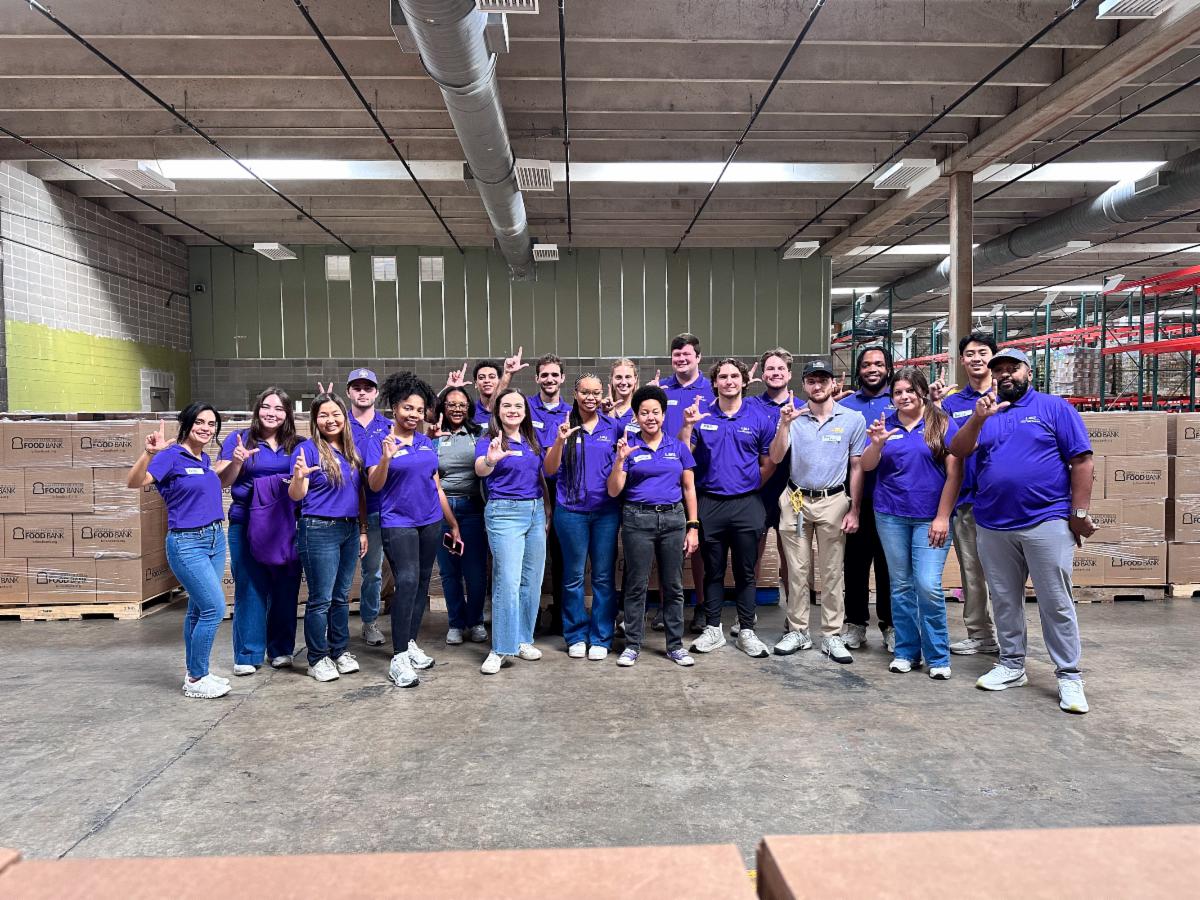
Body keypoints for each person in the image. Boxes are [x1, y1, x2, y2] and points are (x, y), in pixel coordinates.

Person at [949, 348, 1095, 713]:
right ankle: (1012, 665)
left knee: (1055, 601)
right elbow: (958, 449)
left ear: (1028, 372)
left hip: (1045, 520)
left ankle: (1069, 675)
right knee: (1004, 599)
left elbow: (1081, 461)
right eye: (999, 370)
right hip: (993, 522)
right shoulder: (985, 411)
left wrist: (1078, 513)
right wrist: (978, 420)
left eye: (1012, 369)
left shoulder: (1054, 408)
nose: (1004, 375)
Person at [860, 368, 962, 679]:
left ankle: (938, 656)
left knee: (928, 585)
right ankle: (906, 651)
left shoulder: (942, 423)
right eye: (898, 392)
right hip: (890, 515)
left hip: (930, 519)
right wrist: (876, 444)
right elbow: (866, 466)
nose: (904, 397)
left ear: (921, 392)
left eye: (909, 391)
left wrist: (943, 516)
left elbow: (955, 473)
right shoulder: (885, 425)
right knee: (900, 585)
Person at [365, 373, 461, 689]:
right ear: (395, 407)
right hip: (398, 521)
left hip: (430, 520)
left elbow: (434, 483)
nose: (414, 415)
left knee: (421, 582)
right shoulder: (379, 441)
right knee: (405, 581)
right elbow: (373, 485)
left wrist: (452, 522)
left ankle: (410, 642)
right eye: (408, 408)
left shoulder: (424, 441)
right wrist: (384, 458)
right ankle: (398, 657)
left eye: (419, 410)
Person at [128, 408, 229, 699]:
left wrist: (230, 463)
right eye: (199, 422)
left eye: (211, 424)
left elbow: (203, 481)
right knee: (214, 609)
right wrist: (148, 453)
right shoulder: (169, 456)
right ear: (186, 424)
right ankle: (197, 679)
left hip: (214, 538)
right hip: (187, 543)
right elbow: (134, 482)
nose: (206, 428)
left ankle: (198, 673)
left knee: (198, 609)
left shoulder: (203, 458)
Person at [768, 361, 864, 663]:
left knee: (832, 571)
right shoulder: (793, 417)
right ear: (804, 385)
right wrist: (784, 424)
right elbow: (776, 456)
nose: (817, 386)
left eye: (823, 380)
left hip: (833, 501)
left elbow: (857, 466)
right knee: (796, 571)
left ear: (833, 383)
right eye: (811, 380)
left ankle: (832, 634)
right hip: (796, 500)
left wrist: (855, 509)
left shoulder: (852, 419)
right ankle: (797, 631)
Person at [680, 358, 775, 658]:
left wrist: (747, 485)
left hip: (747, 503)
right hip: (710, 503)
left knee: (747, 572)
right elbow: (684, 454)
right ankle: (713, 629)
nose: (729, 381)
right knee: (713, 572)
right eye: (723, 377)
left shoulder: (759, 417)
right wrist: (686, 426)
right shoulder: (701, 415)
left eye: (735, 376)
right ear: (715, 382)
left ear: (745, 381)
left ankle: (746, 629)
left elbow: (768, 462)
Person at [606, 385, 699, 667]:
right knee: (636, 584)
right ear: (636, 416)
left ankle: (674, 645)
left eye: (655, 412)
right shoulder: (628, 447)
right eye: (644, 412)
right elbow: (613, 491)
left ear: (663, 415)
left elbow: (689, 488)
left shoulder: (678, 447)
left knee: (673, 585)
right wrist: (620, 461)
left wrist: (692, 526)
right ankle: (633, 644)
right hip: (637, 520)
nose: (650, 417)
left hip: (673, 520)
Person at [216, 387, 303, 675]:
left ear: (287, 413)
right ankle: (248, 653)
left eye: (279, 408)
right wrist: (238, 461)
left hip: (285, 524)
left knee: (285, 587)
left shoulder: (297, 445)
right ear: (257, 409)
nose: (272, 413)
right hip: (246, 522)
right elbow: (222, 482)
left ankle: (280, 649)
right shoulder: (239, 439)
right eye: (267, 407)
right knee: (251, 586)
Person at [289, 392, 368, 683]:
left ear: (344, 418)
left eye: (335, 414)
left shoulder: (352, 452)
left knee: (341, 597)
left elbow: (359, 494)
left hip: (348, 529)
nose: (330, 420)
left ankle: (339, 651)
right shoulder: (307, 451)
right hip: (318, 528)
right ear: (315, 420)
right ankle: (317, 658)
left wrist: (361, 530)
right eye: (323, 415)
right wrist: (298, 478)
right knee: (320, 598)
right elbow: (296, 495)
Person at [544, 374, 621, 660]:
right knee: (573, 577)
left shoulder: (613, 426)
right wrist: (560, 441)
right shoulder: (561, 424)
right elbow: (549, 470)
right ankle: (576, 634)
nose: (590, 397)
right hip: (571, 513)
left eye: (596, 393)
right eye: (585, 392)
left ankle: (601, 636)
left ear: (602, 395)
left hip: (605, 513)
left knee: (603, 577)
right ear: (575, 393)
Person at [475, 387, 548, 674]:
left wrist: (546, 511)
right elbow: (481, 468)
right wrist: (492, 459)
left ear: (525, 411)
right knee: (507, 580)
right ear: (498, 411)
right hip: (504, 513)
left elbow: (539, 477)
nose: (513, 410)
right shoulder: (489, 440)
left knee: (531, 580)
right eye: (507, 405)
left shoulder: (532, 438)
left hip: (535, 511)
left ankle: (522, 639)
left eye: (519, 405)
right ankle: (500, 648)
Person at [938, 332, 1000, 656]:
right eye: (970, 354)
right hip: (969, 501)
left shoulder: (1008, 397)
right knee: (972, 572)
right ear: (962, 360)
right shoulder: (953, 404)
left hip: (1005, 502)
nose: (976, 358)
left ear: (994, 357)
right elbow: (951, 448)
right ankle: (980, 634)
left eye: (983, 352)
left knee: (1006, 575)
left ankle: (1010, 636)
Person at [839, 345, 896, 651]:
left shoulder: (901, 401)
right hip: (855, 500)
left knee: (889, 566)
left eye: (878, 364)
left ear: (888, 368)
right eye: (866, 365)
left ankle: (890, 625)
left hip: (894, 500)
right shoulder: (846, 405)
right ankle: (856, 624)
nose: (872, 369)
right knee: (855, 564)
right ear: (858, 370)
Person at [746, 347, 805, 628]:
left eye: (780, 369)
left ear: (789, 374)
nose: (775, 373)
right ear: (763, 374)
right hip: (758, 490)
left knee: (791, 555)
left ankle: (794, 618)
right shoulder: (750, 406)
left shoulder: (803, 407)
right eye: (770, 369)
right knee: (752, 553)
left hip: (792, 491)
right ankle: (748, 614)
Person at [659, 333, 712, 633]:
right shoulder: (662, 389)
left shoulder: (710, 389)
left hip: (700, 481)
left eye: (687, 354)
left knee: (699, 551)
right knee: (669, 550)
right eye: (676, 354)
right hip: (667, 482)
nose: (681, 359)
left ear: (698, 357)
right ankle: (668, 609)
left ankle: (702, 607)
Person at [432, 387, 489, 646]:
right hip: (441, 509)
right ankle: (455, 622)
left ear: (469, 408)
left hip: (473, 508)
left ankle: (475, 620)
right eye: (451, 404)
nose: (457, 409)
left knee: (475, 572)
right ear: (443, 406)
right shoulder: (432, 437)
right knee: (449, 571)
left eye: (462, 404)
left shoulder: (479, 435)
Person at [341, 368, 391, 649]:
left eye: (368, 387)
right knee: (344, 571)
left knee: (373, 572)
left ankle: (369, 622)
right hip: (346, 510)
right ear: (348, 392)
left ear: (376, 393)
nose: (362, 392)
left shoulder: (387, 426)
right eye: (356, 387)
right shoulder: (339, 424)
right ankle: (335, 624)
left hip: (382, 508)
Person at [527, 353, 569, 636]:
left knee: (561, 554)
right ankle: (529, 616)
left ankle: (561, 614)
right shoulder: (526, 407)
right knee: (532, 553)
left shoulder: (572, 410)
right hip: (530, 487)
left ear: (562, 378)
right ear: (537, 378)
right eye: (545, 375)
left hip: (563, 488)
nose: (550, 379)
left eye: (555, 374)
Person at [607, 357, 641, 435]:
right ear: (612, 379)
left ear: (635, 379)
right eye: (618, 377)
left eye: (628, 377)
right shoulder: (602, 410)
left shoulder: (642, 410)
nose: (623, 382)